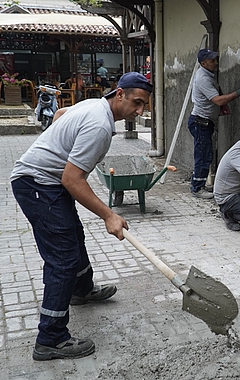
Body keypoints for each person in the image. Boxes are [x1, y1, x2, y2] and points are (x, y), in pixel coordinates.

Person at [10, 72, 153, 361]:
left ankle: (81, 290)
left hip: (46, 182)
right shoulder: (100, 125)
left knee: (73, 234)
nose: (139, 111)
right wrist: (109, 215)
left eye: (144, 106)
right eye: (137, 103)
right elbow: (73, 180)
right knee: (62, 258)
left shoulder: (94, 105)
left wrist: (55, 144)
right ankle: (50, 338)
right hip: (37, 185)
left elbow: (61, 113)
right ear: (120, 94)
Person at [189, 49, 240, 199]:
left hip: (204, 121)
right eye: (212, 60)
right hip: (200, 122)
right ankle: (197, 188)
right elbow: (217, 100)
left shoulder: (207, 74)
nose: (216, 63)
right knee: (203, 155)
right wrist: (238, 93)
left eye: (216, 59)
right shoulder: (203, 78)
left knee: (205, 154)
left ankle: (199, 184)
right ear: (203, 63)